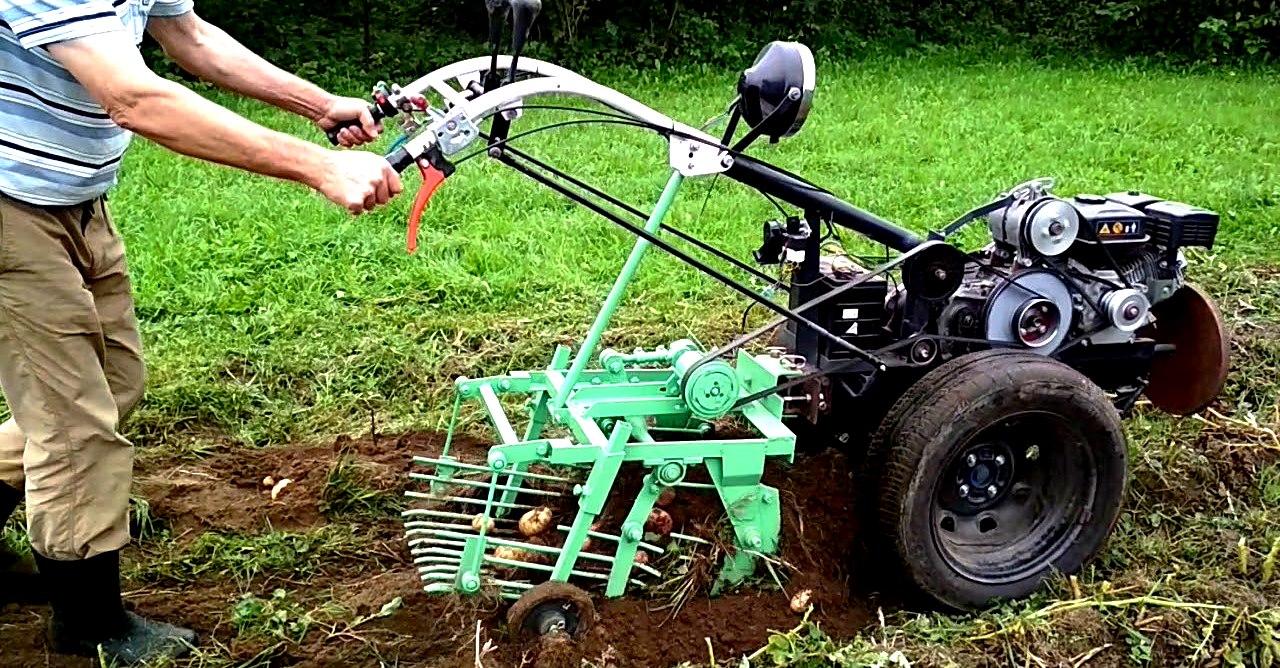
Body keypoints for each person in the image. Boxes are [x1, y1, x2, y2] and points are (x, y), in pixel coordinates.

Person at [0, 0, 403, 663]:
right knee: (74, 425)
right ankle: (89, 623)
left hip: (74, 197)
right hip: (12, 204)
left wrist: (317, 103)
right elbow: (134, 99)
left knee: (114, 384)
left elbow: (188, 35)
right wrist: (317, 165)